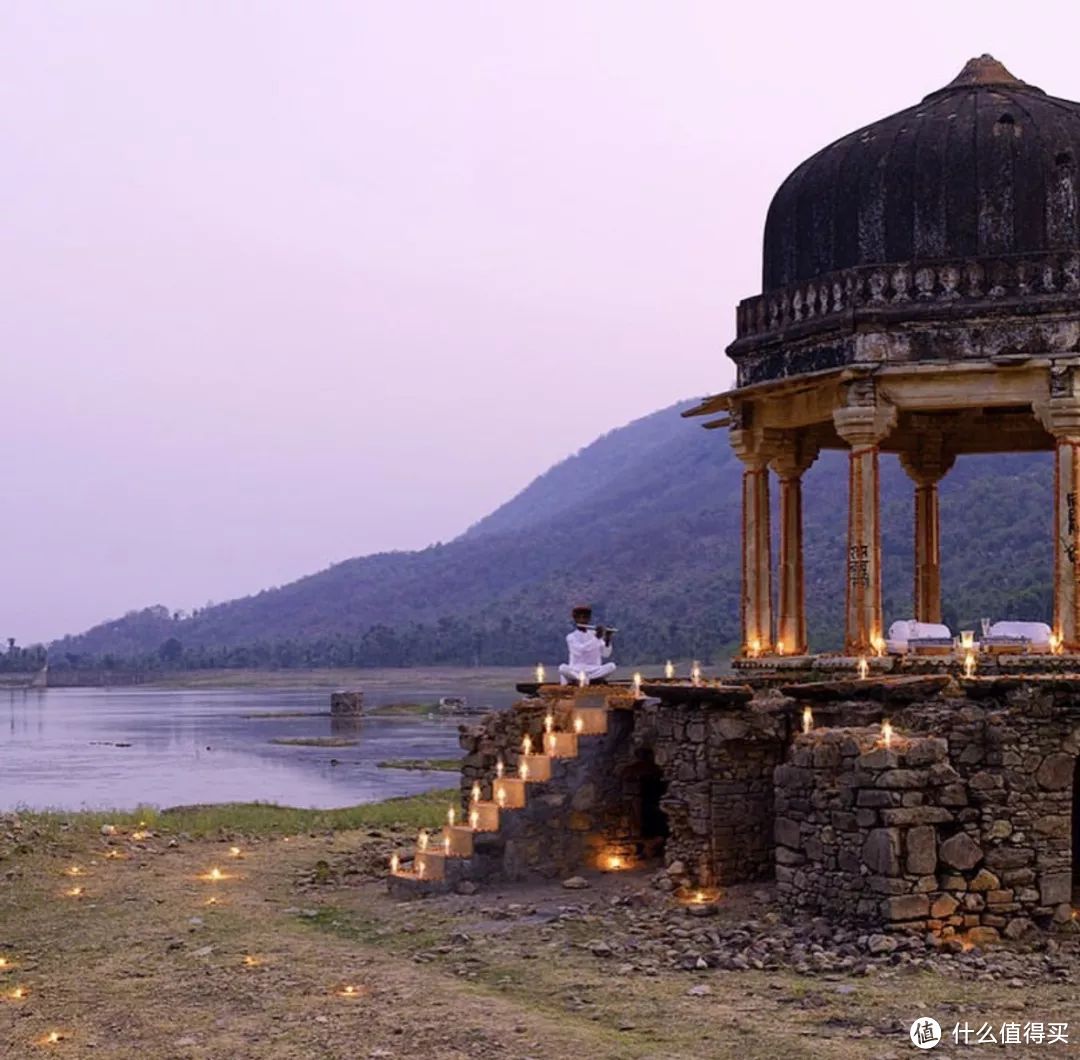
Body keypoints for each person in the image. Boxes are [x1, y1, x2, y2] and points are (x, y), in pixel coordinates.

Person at [558, 605, 616, 685]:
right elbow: (581, 650)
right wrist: (596, 638)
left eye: (585, 617)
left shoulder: (595, 634)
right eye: (579, 618)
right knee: (562, 668)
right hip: (576, 671)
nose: (582, 620)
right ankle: (587, 680)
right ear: (575, 619)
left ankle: (586, 680)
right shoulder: (571, 637)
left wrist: (607, 639)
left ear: (589, 619)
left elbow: (606, 654)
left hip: (594, 671)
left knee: (612, 666)